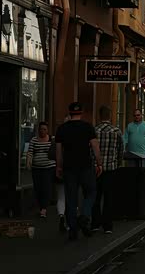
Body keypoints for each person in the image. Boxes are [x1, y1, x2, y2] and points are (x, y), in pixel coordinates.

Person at [55, 102, 103, 241]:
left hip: (69, 167)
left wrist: (59, 166)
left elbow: (59, 151)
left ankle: (73, 229)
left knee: (71, 198)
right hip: (85, 166)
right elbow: (95, 146)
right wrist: (99, 163)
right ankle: (85, 216)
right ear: (81, 113)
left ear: (70, 113)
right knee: (91, 192)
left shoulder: (62, 129)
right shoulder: (88, 127)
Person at [91, 105, 123, 234]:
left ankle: (95, 223)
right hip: (111, 168)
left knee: (95, 196)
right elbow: (120, 150)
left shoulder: (94, 130)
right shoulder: (116, 131)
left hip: (96, 168)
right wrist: (118, 163)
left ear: (99, 116)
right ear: (110, 115)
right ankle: (107, 225)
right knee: (109, 197)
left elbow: (90, 150)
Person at [26, 121, 55, 219]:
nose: (42, 131)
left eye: (44, 129)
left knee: (46, 188)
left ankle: (44, 209)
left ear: (47, 130)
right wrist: (28, 162)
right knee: (38, 188)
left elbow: (56, 152)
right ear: (38, 130)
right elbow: (30, 152)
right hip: (36, 168)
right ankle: (40, 206)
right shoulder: (34, 140)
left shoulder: (52, 139)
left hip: (49, 168)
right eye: (41, 129)